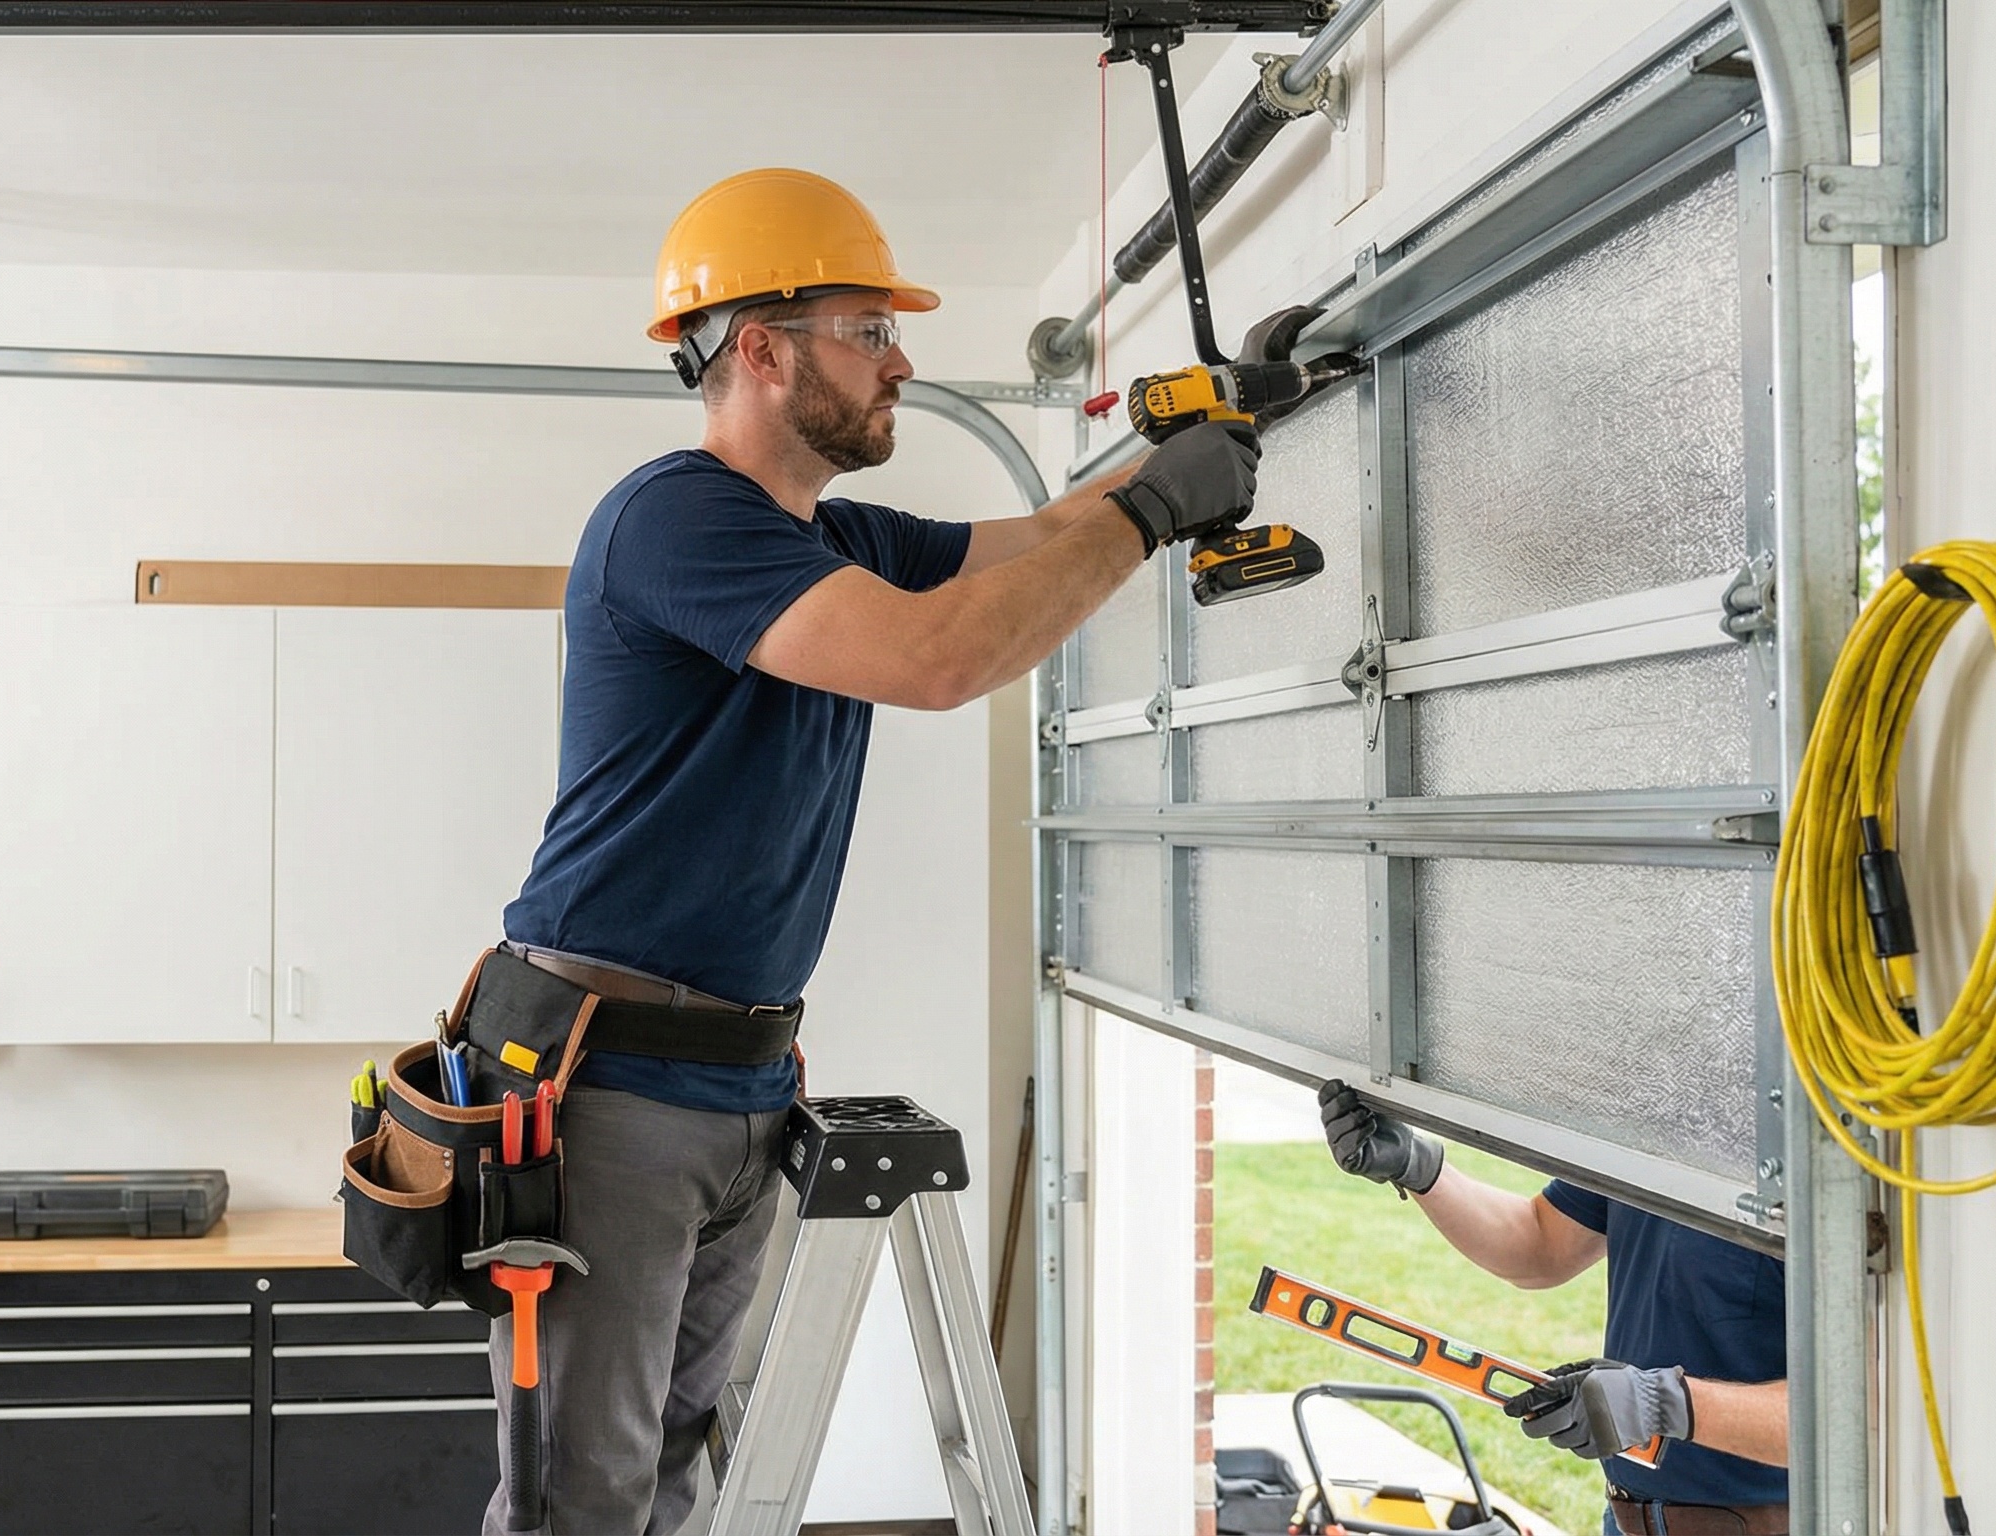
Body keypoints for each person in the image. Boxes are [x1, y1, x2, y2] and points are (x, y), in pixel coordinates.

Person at [471, 166, 1264, 1535]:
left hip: (737, 1080)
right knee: (580, 1497)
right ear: (764, 351)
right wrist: (1151, 515)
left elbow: (1045, 539)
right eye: (869, 330)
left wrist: (1237, 421)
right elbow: (945, 658)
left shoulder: (838, 537)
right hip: (608, 1093)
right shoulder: (676, 517)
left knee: (672, 1464)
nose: (903, 363)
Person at [1316, 1081, 1789, 1536]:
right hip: (1628, 1518)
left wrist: (1660, 1402)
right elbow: (1541, 1244)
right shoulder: (1666, 1122)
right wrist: (1420, 1168)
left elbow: (1858, 1410)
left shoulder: (1821, 1154)